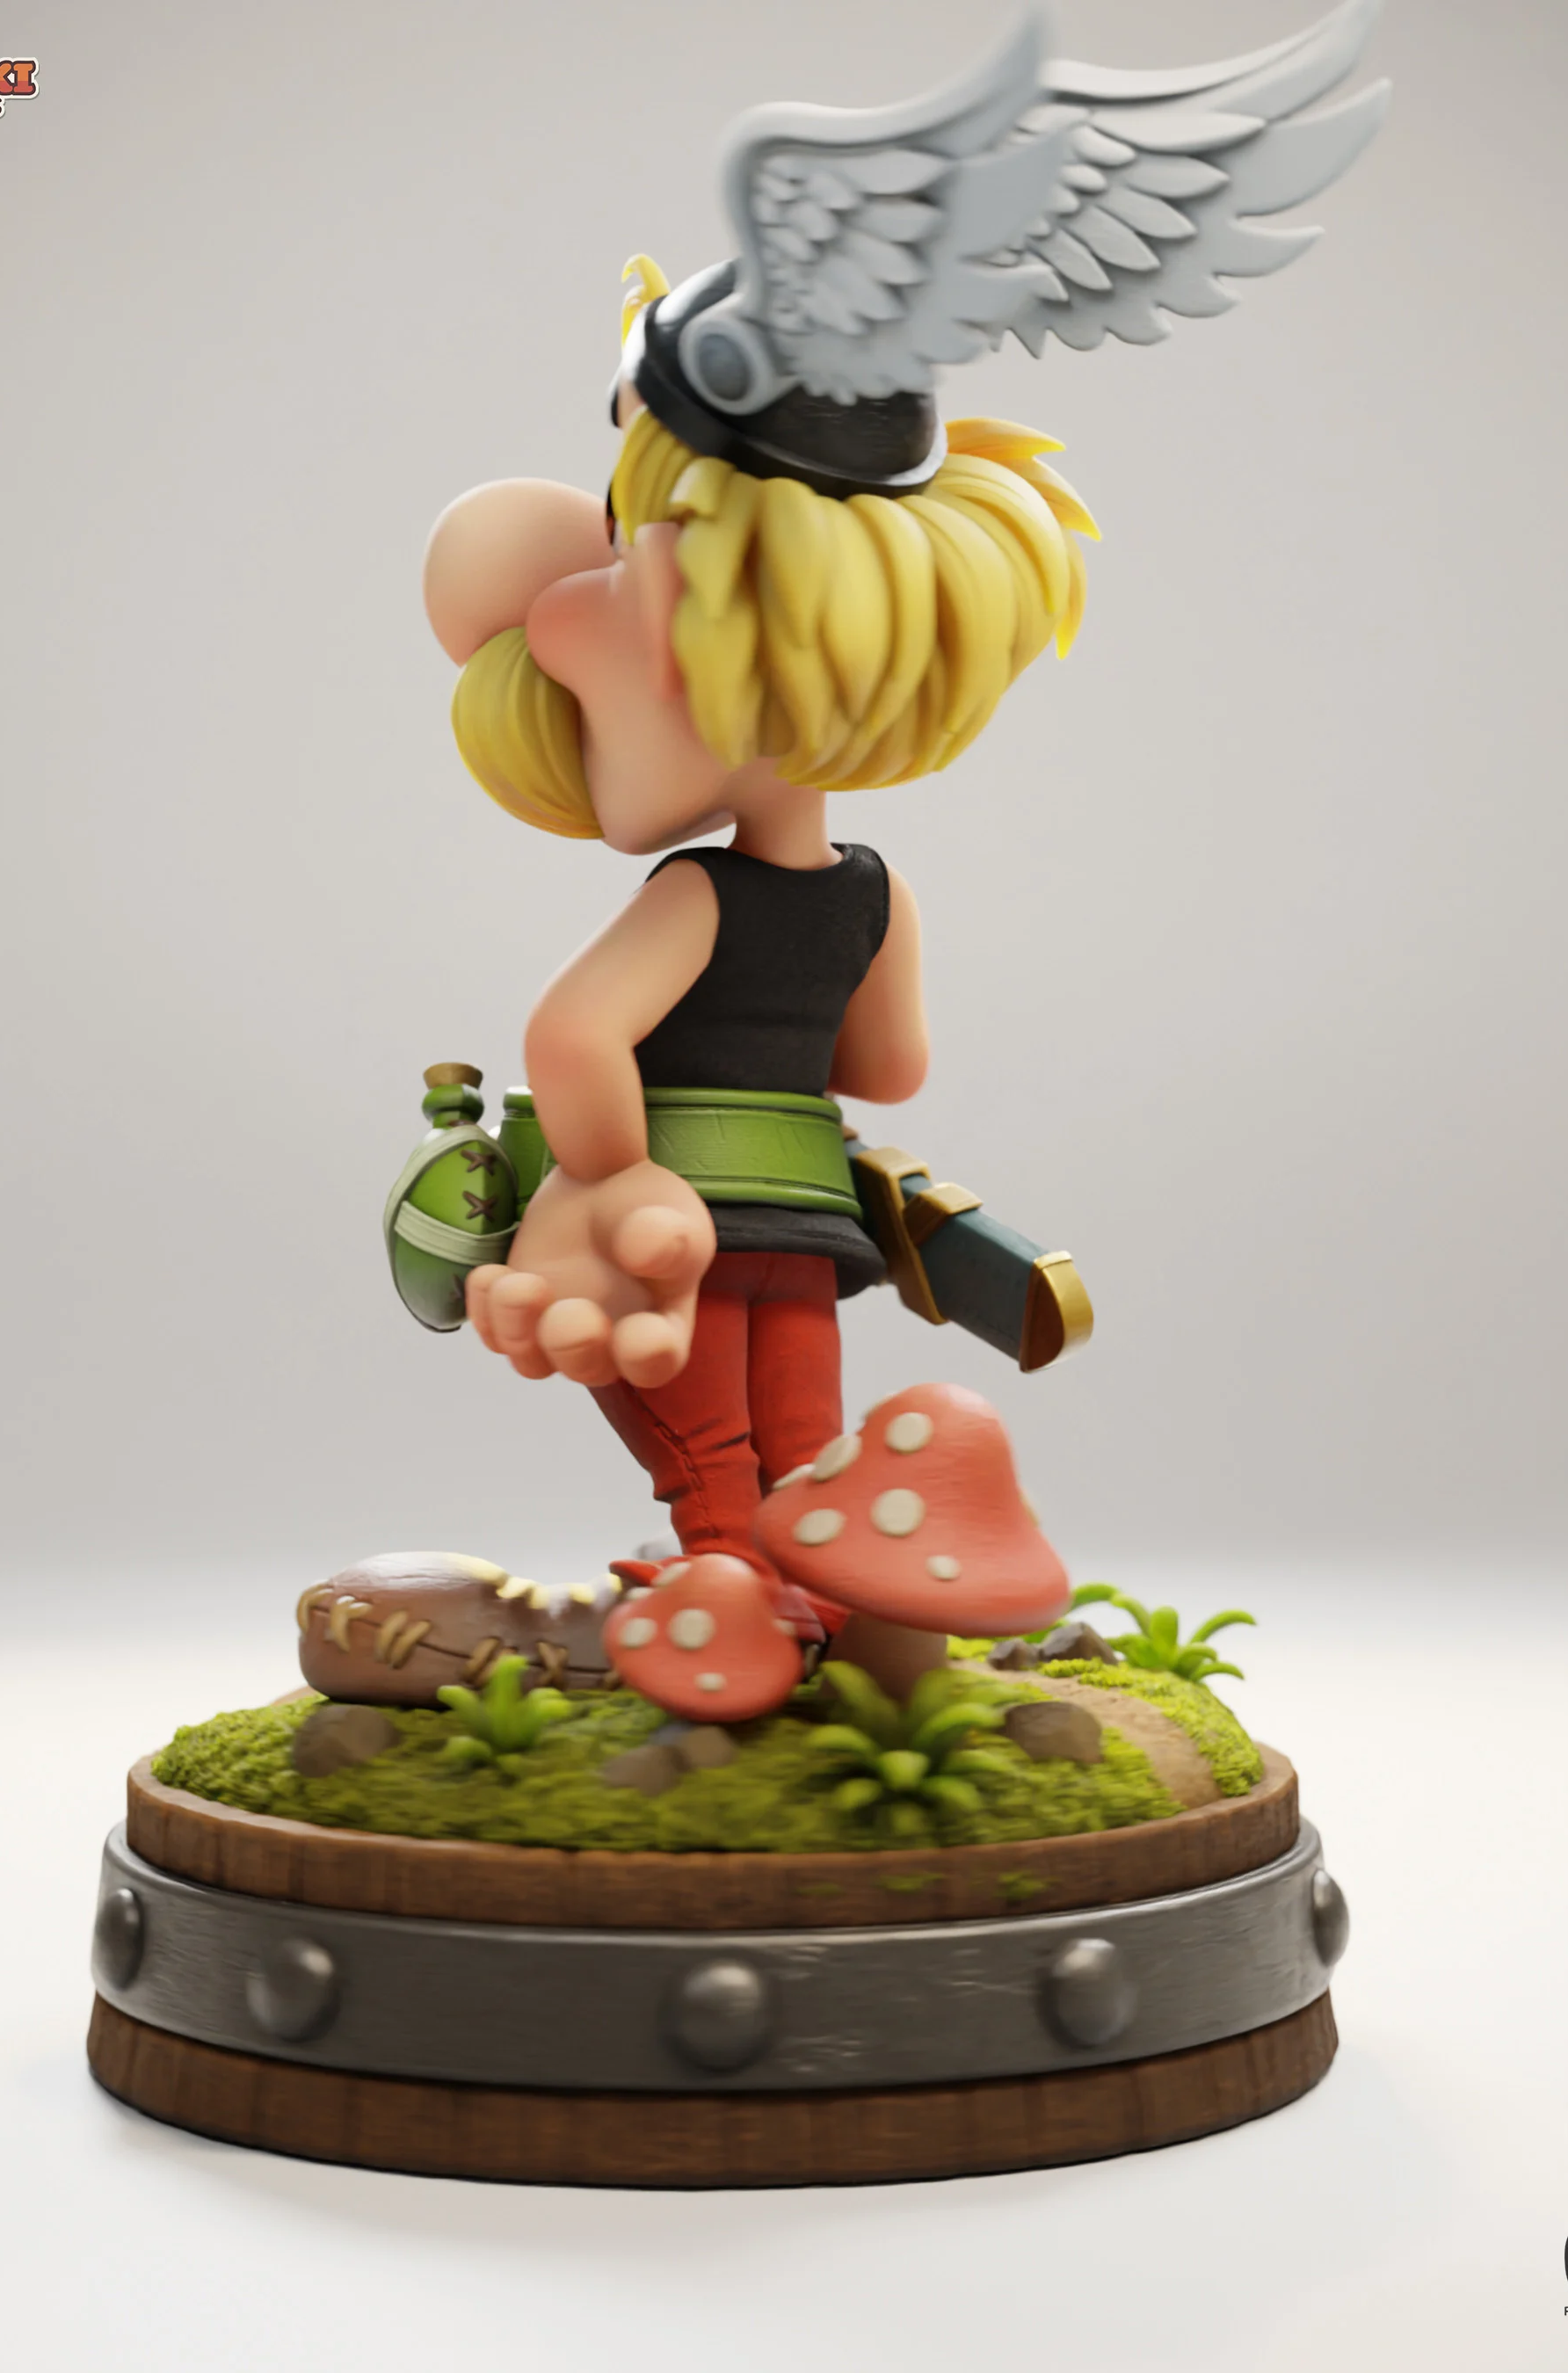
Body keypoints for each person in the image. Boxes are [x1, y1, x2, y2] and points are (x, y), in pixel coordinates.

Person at [418, 254, 1095, 1633]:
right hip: (810, 1221)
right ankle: (807, 1605)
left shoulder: (698, 897)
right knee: (802, 1428)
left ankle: (729, 1603)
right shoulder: (875, 895)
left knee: (700, 1434)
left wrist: (611, 1176)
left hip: (679, 1214)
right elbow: (887, 1068)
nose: (562, 614)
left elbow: (572, 1034)